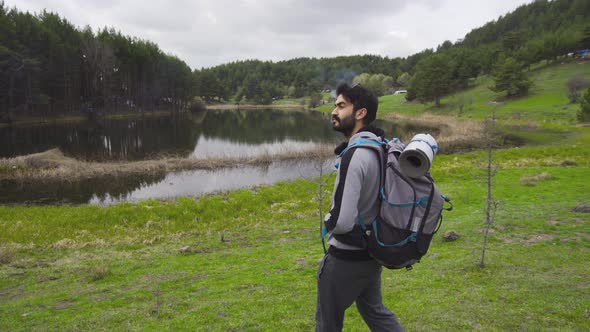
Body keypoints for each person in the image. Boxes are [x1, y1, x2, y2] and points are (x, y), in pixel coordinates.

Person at [316, 83, 404, 332]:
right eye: (335, 105)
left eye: (341, 106)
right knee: (375, 312)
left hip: (345, 258)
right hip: (371, 254)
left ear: (360, 113)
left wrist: (327, 222)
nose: (334, 111)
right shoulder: (380, 147)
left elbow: (342, 222)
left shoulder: (354, 155)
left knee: (327, 323)